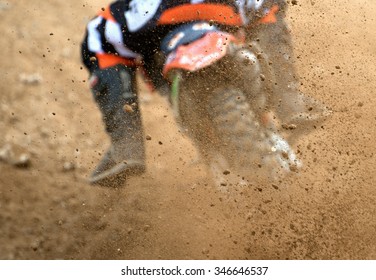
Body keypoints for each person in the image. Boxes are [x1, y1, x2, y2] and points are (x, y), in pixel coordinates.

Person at [81, 0, 329, 187]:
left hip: (153, 19)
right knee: (267, 7)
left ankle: (126, 147)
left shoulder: (124, 17)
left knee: (97, 37)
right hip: (217, 18)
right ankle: (290, 101)